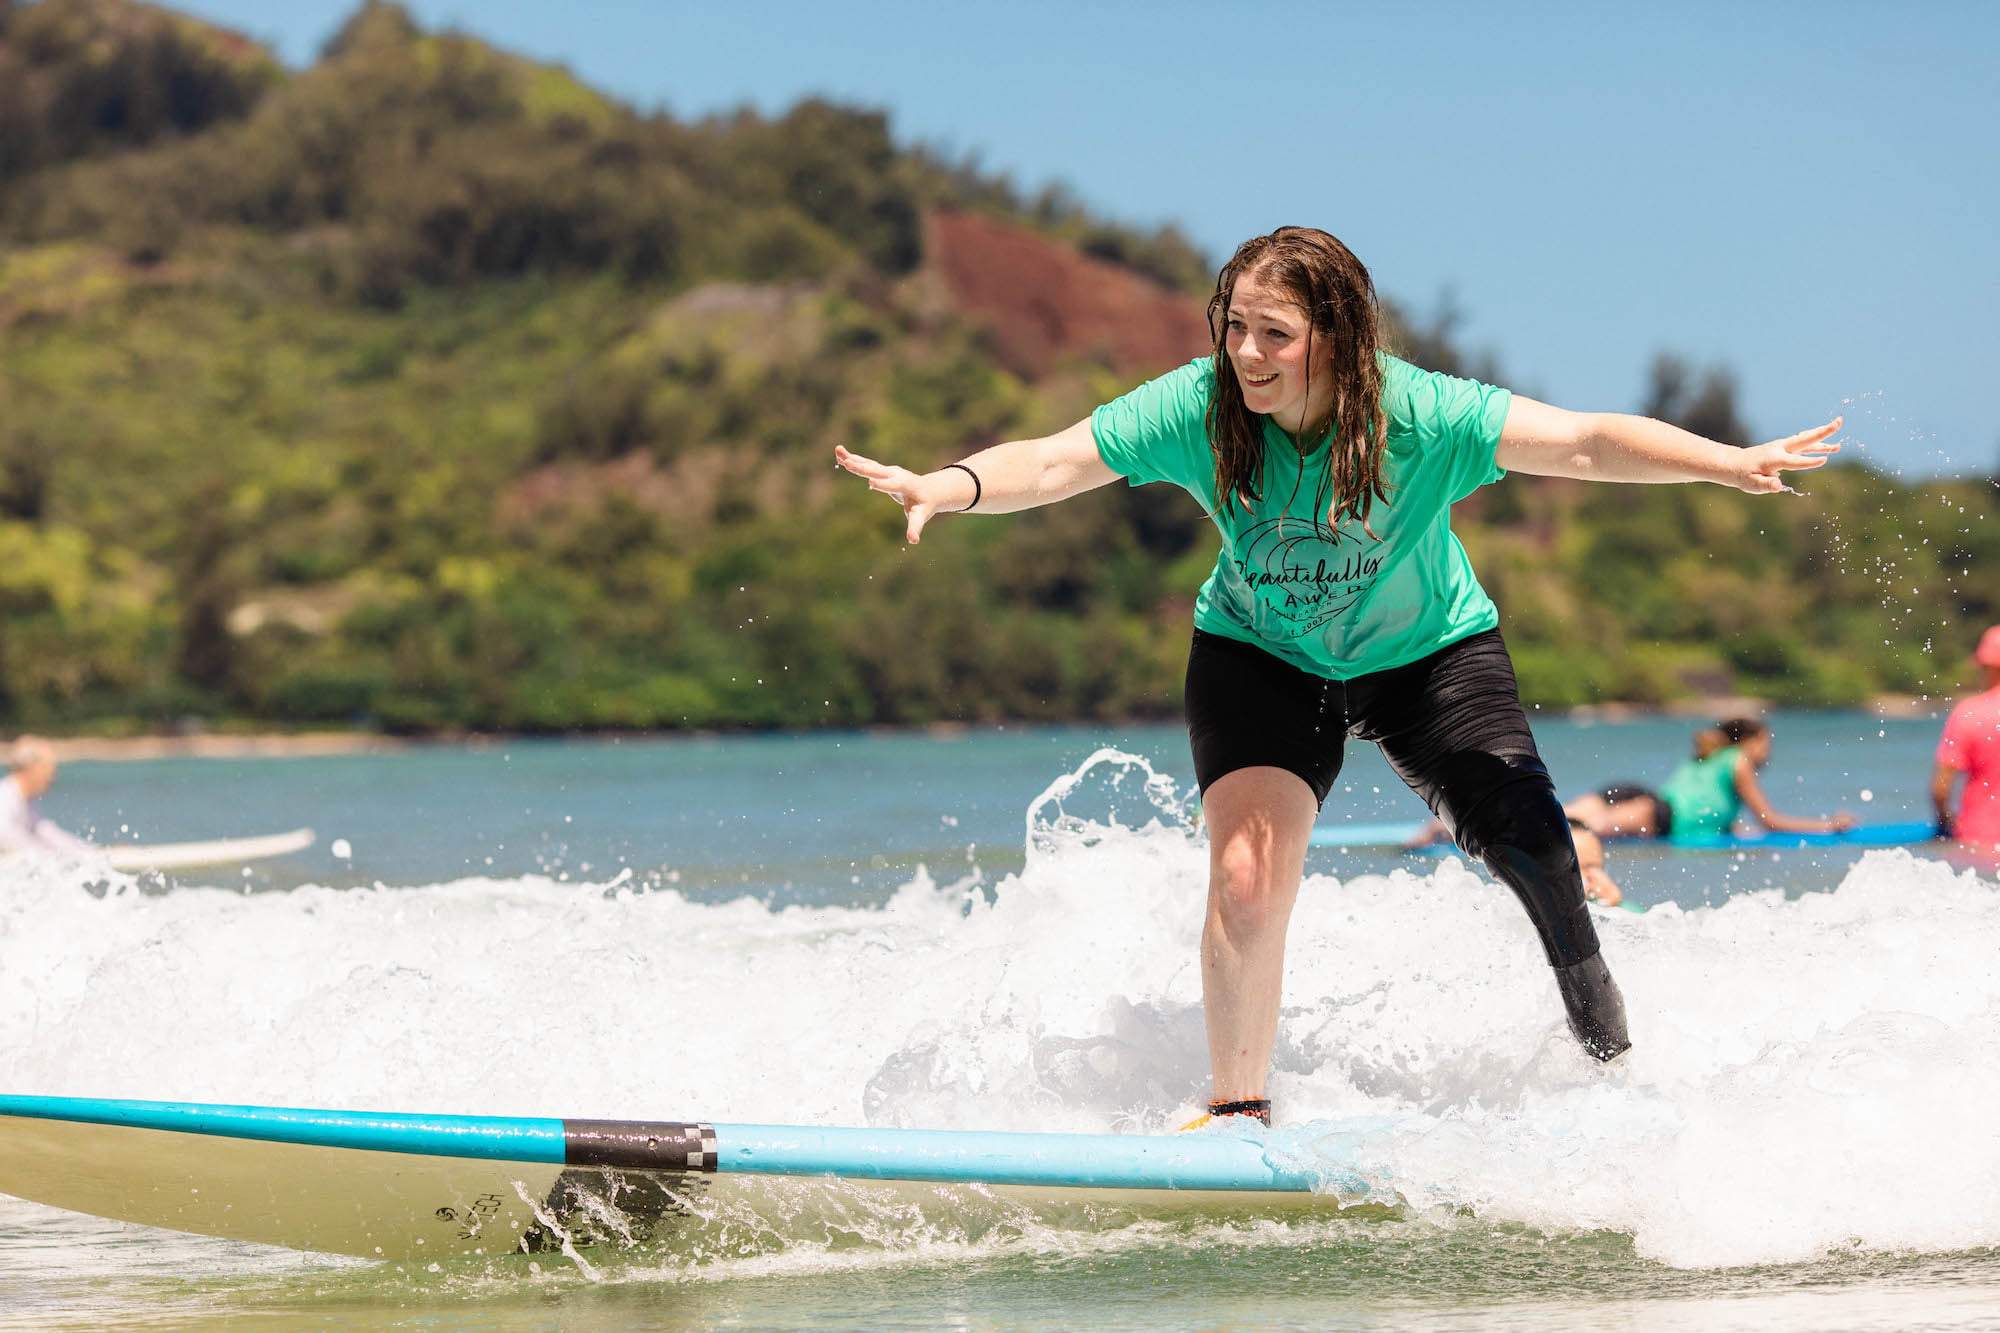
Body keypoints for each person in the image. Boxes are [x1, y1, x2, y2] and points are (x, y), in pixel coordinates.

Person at [835, 226, 1841, 1126]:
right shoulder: (1198, 407)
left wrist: (1722, 460)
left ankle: (1607, 1051)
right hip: (1260, 657)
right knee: (1241, 881)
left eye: (1272, 333)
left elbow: (1579, 441)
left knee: (1537, 850)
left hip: (1427, 657)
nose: (1245, 354)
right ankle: (1236, 1113)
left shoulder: (1419, 414)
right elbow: (1057, 463)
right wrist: (949, 485)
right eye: (1233, 327)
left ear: (1336, 337)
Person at [1564, 717, 1854, 840]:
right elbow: (1770, 821)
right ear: (1750, 742)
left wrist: (1730, 826)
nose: (1768, 751)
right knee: (1578, 833)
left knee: (1561, 818)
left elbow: (1704, 803)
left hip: (1648, 800)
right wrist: (1827, 825)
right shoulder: (1738, 761)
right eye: (1767, 742)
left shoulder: (1709, 756)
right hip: (1660, 816)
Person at [1933, 625, 2000, 850]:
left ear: (1988, 666)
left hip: (1976, 843)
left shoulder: (1968, 713)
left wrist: (1945, 824)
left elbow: (1940, 790)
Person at [0, 736, 92, 856]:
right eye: (48, 768)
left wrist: (89, 850)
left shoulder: (27, 802)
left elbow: (47, 832)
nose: (52, 776)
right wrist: (44, 853)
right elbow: (2, 832)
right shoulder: (6, 794)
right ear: (31, 767)